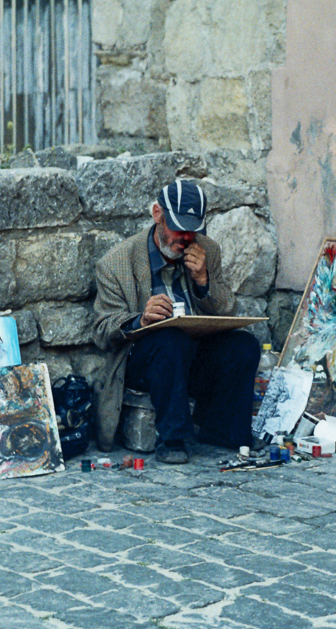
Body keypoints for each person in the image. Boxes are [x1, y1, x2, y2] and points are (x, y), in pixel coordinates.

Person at [91, 179, 260, 464]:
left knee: (244, 345)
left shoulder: (207, 250)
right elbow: (102, 329)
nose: (185, 238)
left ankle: (223, 432)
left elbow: (227, 308)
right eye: (178, 228)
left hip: (193, 354)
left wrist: (203, 281)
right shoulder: (116, 263)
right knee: (170, 341)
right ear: (157, 214)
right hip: (145, 361)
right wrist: (141, 319)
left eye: (192, 230)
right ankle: (172, 440)